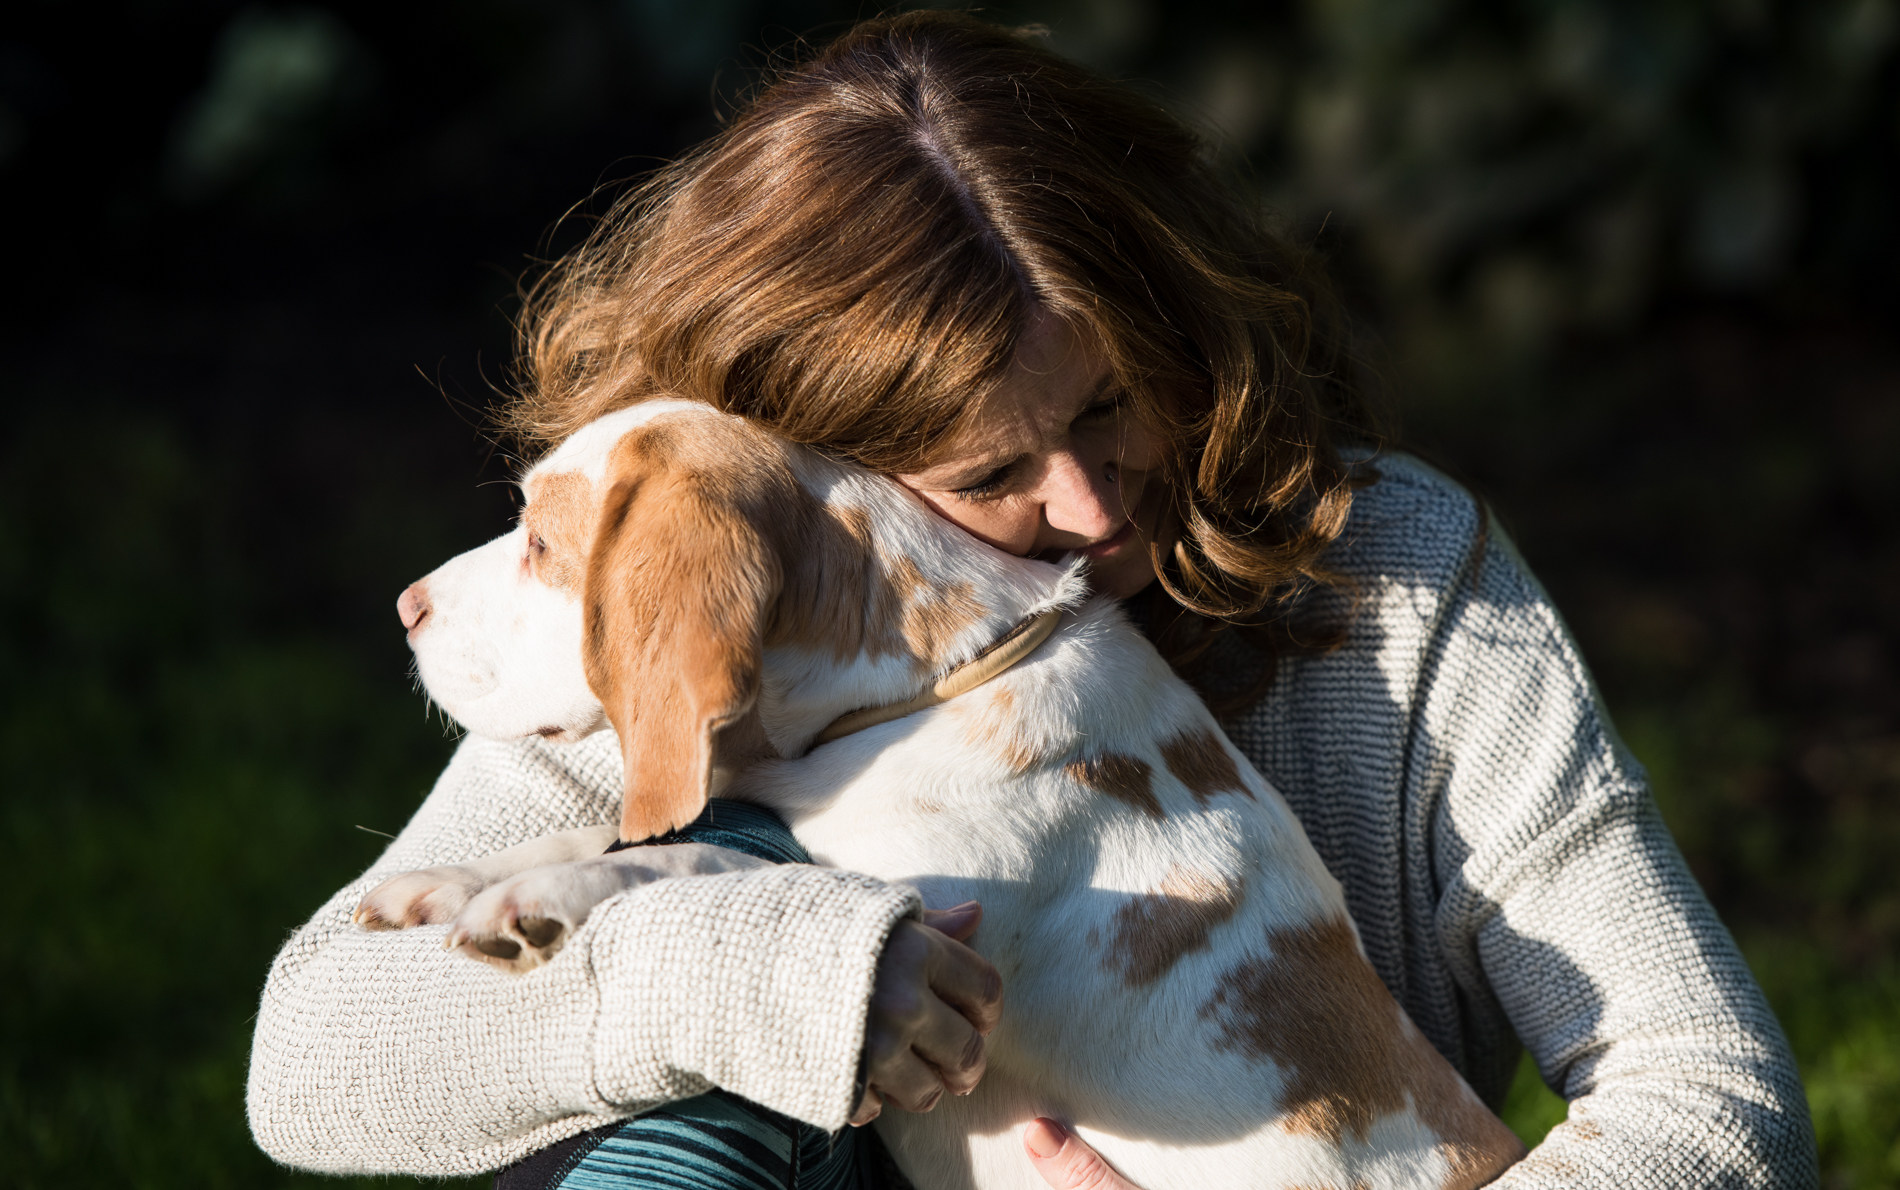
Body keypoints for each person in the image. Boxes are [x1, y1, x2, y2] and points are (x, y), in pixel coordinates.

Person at [246, 11, 1818, 1189]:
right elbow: (314, 1056)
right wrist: (736, 967)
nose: (1087, 508)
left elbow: (1711, 1092)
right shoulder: (727, 592)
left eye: (1110, 404)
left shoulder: (1400, 571)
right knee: (666, 984)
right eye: (988, 472)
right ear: (817, 466)